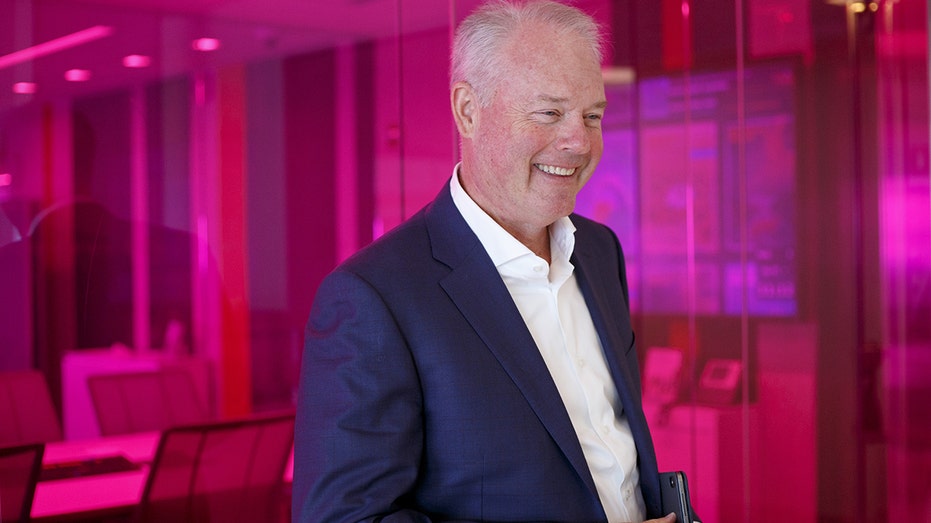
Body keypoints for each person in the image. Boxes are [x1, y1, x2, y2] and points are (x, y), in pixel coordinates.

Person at [293, 1, 678, 521]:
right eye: (549, 113)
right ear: (468, 111)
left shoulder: (599, 251)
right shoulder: (375, 297)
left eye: (592, 115)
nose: (580, 142)